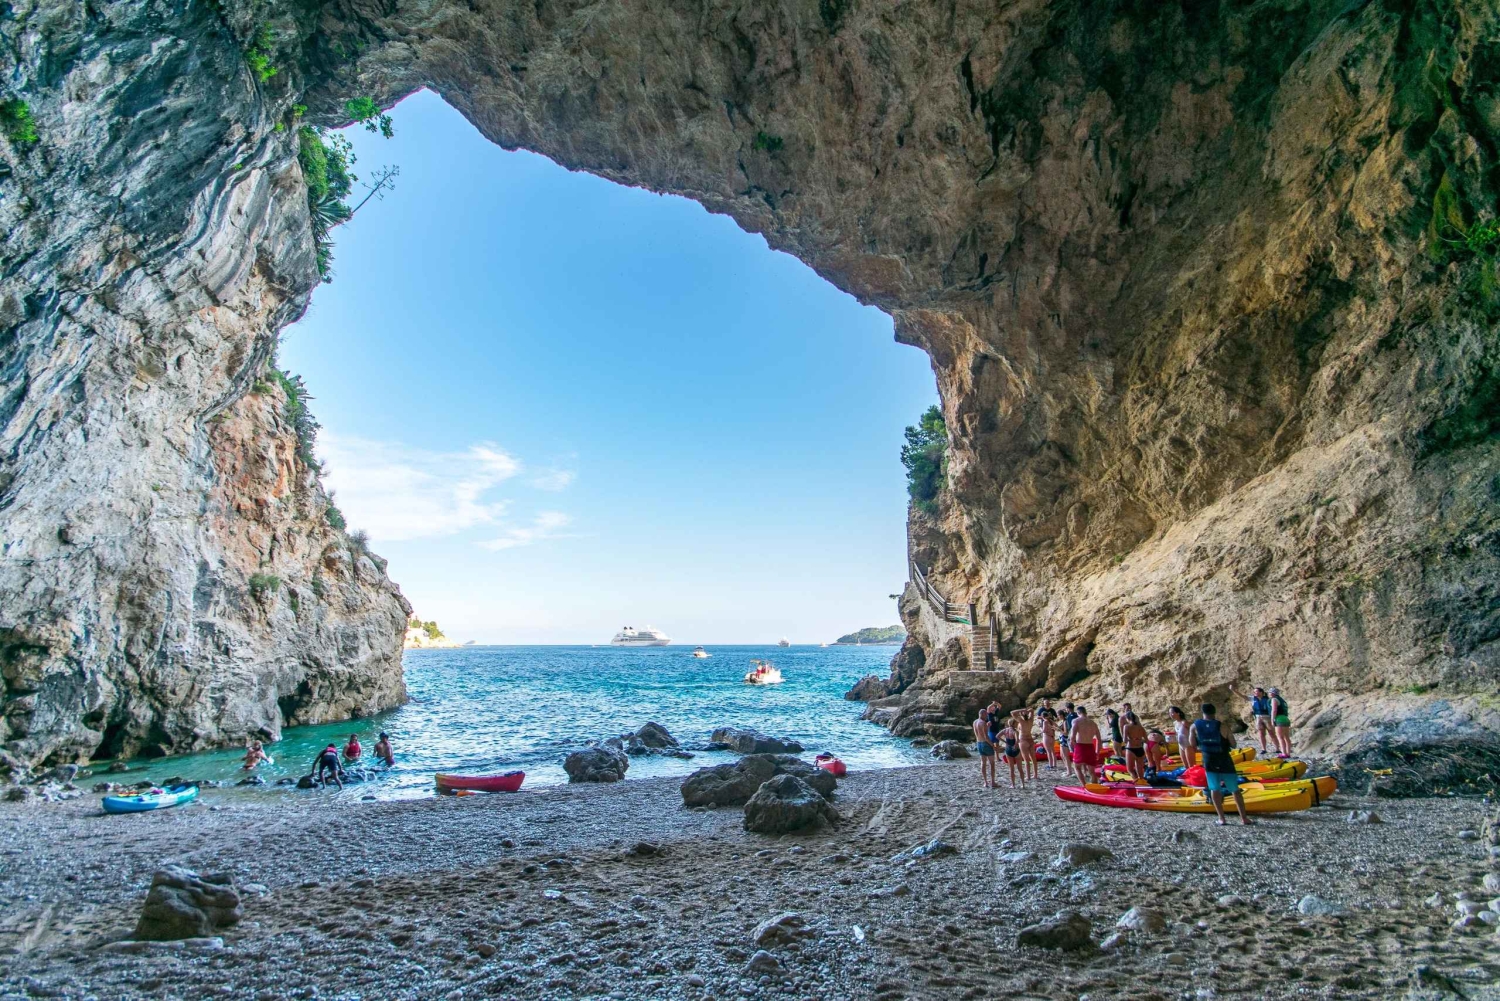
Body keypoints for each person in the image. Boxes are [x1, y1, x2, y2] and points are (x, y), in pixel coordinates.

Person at [1187, 703, 1249, 825]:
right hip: (1225, 760)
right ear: (1214, 712)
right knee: (1235, 790)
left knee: (1214, 788)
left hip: (1209, 760)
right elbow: (1233, 744)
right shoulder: (1222, 726)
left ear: (1202, 712)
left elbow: (1192, 745)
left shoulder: (1194, 726)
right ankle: (1244, 818)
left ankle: (1221, 818)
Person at [1232, 685, 1275, 753]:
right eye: (1254, 692)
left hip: (1267, 717)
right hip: (1258, 718)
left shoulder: (1268, 699)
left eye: (1256, 691)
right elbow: (1242, 696)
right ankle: (1263, 749)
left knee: (1271, 733)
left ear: (1261, 692)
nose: (1254, 693)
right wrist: (1234, 690)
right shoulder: (1253, 698)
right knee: (1261, 734)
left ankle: (1278, 748)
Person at [1067, 706, 1102, 783]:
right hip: (1090, 746)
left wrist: (1074, 748)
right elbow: (1099, 740)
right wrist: (1097, 752)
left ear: (1078, 713)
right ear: (1085, 712)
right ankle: (1095, 786)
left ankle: (1084, 785)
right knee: (1092, 771)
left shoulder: (1076, 721)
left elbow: (1072, 737)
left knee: (1077, 767)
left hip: (1080, 746)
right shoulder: (1093, 723)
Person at [1011, 707, 1039, 780]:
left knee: (1026, 760)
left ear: (1021, 715)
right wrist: (1027, 710)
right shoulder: (1031, 720)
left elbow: (1012, 713)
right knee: (1033, 759)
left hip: (1023, 740)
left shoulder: (1021, 721)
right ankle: (1035, 775)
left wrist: (1022, 710)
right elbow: (1032, 710)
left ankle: (1028, 776)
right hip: (1030, 739)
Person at [972, 709, 996, 789]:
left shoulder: (975, 722)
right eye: (986, 715)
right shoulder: (983, 723)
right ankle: (993, 782)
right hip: (986, 744)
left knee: (983, 762)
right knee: (992, 763)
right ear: (982, 714)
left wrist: (987, 726)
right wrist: (992, 745)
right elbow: (986, 737)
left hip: (979, 743)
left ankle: (985, 782)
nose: (987, 716)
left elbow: (979, 733)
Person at [1122, 712, 1148, 783]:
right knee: (1140, 770)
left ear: (1127, 718)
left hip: (1131, 748)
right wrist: (1138, 739)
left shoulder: (1126, 726)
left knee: (1130, 770)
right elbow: (1146, 740)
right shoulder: (1141, 727)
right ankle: (1142, 783)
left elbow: (1124, 740)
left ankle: (1137, 783)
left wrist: (1132, 739)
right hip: (1140, 748)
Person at [1269, 688, 1292, 757]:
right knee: (1287, 737)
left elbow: (1274, 710)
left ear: (1272, 693)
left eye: (1269, 692)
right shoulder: (1282, 700)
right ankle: (1288, 753)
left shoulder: (1274, 699)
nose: (1268, 694)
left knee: (1280, 737)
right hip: (1285, 718)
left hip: (1279, 719)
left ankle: (1283, 753)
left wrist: (1272, 719)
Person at [1036, 701, 1059, 769]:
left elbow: (1044, 731)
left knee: (1048, 752)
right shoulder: (1051, 721)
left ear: (1042, 716)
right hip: (1052, 737)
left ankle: (1050, 765)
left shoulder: (1045, 722)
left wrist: (1039, 727)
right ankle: (1054, 764)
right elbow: (1056, 726)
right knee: (1053, 751)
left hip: (1046, 737)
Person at [1059, 702, 1079, 778]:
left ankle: (1075, 771)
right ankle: (1079, 771)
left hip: (1072, 736)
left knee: (1074, 754)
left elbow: (1069, 729)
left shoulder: (1070, 717)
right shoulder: (1076, 715)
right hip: (1077, 736)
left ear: (1068, 709)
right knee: (1076, 753)